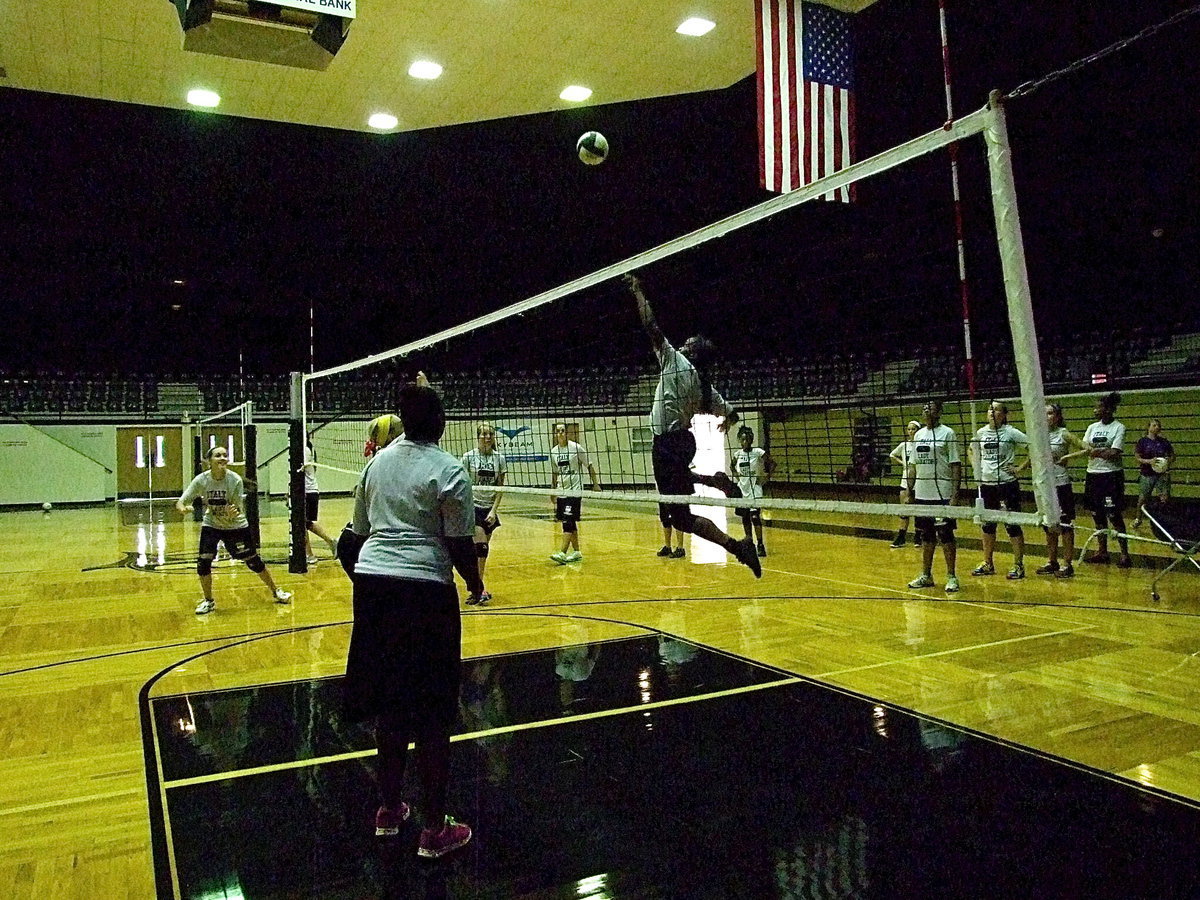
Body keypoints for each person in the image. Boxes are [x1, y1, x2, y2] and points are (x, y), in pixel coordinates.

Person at [342, 382, 484, 858]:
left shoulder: (375, 464)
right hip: (424, 592)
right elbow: (460, 542)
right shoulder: (449, 470)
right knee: (432, 712)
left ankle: (388, 810)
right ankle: (434, 830)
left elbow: (356, 536)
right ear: (438, 422)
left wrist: (367, 579)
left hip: (375, 588)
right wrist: (476, 585)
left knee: (389, 704)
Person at [624, 273, 761, 577]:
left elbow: (651, 326)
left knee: (681, 518)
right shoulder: (704, 385)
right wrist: (726, 423)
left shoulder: (675, 361)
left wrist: (637, 292)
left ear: (694, 352)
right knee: (679, 499)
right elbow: (733, 414)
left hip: (667, 442)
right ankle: (716, 484)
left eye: (690, 343)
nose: (684, 344)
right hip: (683, 441)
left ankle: (736, 545)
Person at [176, 445, 292, 615]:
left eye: (225, 455)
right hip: (212, 524)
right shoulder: (201, 480)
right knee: (203, 563)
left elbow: (236, 508)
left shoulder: (234, 480)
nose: (222, 458)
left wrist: (232, 512)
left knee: (253, 562)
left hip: (235, 526)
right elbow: (181, 501)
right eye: (217, 455)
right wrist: (183, 509)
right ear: (209, 461)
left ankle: (276, 591)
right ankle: (208, 601)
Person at [969, 401, 1029, 580]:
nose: (991, 412)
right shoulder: (980, 433)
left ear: (1004, 415)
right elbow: (971, 450)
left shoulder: (1010, 432)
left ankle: (1018, 565)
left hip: (1006, 484)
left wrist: (1020, 468)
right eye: (989, 409)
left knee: (1012, 525)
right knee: (987, 525)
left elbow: (1033, 447)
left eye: (996, 409)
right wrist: (976, 468)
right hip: (986, 485)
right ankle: (988, 563)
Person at [906, 399, 962, 593]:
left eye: (930, 407)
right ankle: (926, 575)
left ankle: (952, 576)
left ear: (939, 412)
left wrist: (955, 495)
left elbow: (956, 465)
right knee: (926, 536)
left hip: (942, 493)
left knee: (946, 535)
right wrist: (909, 490)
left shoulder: (948, 433)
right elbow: (912, 465)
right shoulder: (919, 435)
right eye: (924, 407)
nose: (926, 410)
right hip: (922, 493)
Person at [1082, 391, 1132, 568]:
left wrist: (1097, 452)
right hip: (1093, 475)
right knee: (1097, 515)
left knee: (1114, 515)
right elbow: (1086, 447)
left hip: (1111, 477)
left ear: (1108, 409)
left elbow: (1115, 452)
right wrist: (1099, 451)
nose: (1095, 410)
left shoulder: (1119, 427)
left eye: (1099, 407)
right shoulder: (1092, 427)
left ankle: (1124, 553)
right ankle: (1102, 551)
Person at [1038, 402, 1087, 578]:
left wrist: (1068, 456)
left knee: (1065, 524)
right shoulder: (1040, 436)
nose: (1046, 417)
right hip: (1046, 485)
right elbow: (1034, 457)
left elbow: (1087, 449)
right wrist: (1019, 469)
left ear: (1057, 416)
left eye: (1050, 413)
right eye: (1044, 414)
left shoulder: (1063, 434)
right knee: (1048, 524)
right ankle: (1052, 561)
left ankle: (1067, 564)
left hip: (1061, 484)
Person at [461, 422, 506, 602]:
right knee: (481, 548)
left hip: (490, 510)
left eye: (491, 434)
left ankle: (478, 586)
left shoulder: (499, 458)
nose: (487, 437)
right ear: (478, 436)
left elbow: (501, 488)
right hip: (474, 507)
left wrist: (494, 511)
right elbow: (463, 484)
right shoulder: (468, 457)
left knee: (481, 554)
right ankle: (478, 590)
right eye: (484, 434)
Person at [549, 423, 601, 564]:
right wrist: (552, 490)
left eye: (563, 431)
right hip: (561, 491)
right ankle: (577, 552)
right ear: (555, 434)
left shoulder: (576, 448)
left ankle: (562, 552)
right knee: (568, 522)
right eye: (558, 431)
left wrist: (595, 484)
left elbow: (589, 465)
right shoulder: (554, 451)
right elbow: (555, 473)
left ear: (567, 433)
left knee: (568, 521)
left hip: (574, 491)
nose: (560, 433)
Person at [732, 425, 773, 557]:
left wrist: (767, 476)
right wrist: (738, 478)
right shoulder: (737, 454)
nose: (745, 442)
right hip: (742, 490)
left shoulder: (758, 452)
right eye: (743, 440)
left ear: (751, 440)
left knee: (755, 517)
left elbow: (773, 463)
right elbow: (732, 466)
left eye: (748, 440)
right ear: (739, 440)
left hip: (755, 489)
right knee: (745, 518)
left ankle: (760, 544)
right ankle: (749, 544)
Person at [1131, 418, 1175, 528]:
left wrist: (1166, 462)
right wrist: (1149, 462)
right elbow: (1137, 457)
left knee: (1164, 498)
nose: (1157, 427)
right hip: (1147, 474)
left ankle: (1164, 521)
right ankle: (1138, 518)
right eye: (1154, 425)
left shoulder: (1164, 442)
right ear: (1149, 427)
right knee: (1143, 498)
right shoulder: (1142, 441)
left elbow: (1172, 456)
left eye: (1158, 425)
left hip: (1162, 475)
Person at [301, 436, 339, 564]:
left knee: (302, 524)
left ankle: (309, 555)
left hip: (307, 491)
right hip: (308, 491)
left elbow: (299, 472)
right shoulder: (305, 449)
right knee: (307, 523)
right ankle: (332, 542)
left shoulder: (304, 450)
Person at [888, 420, 923, 549]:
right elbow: (892, 454)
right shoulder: (904, 445)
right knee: (905, 509)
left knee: (919, 511)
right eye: (908, 429)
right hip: (905, 479)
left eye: (913, 429)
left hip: (920, 481)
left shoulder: (922, 445)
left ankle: (918, 536)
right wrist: (903, 463)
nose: (910, 431)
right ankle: (901, 536)